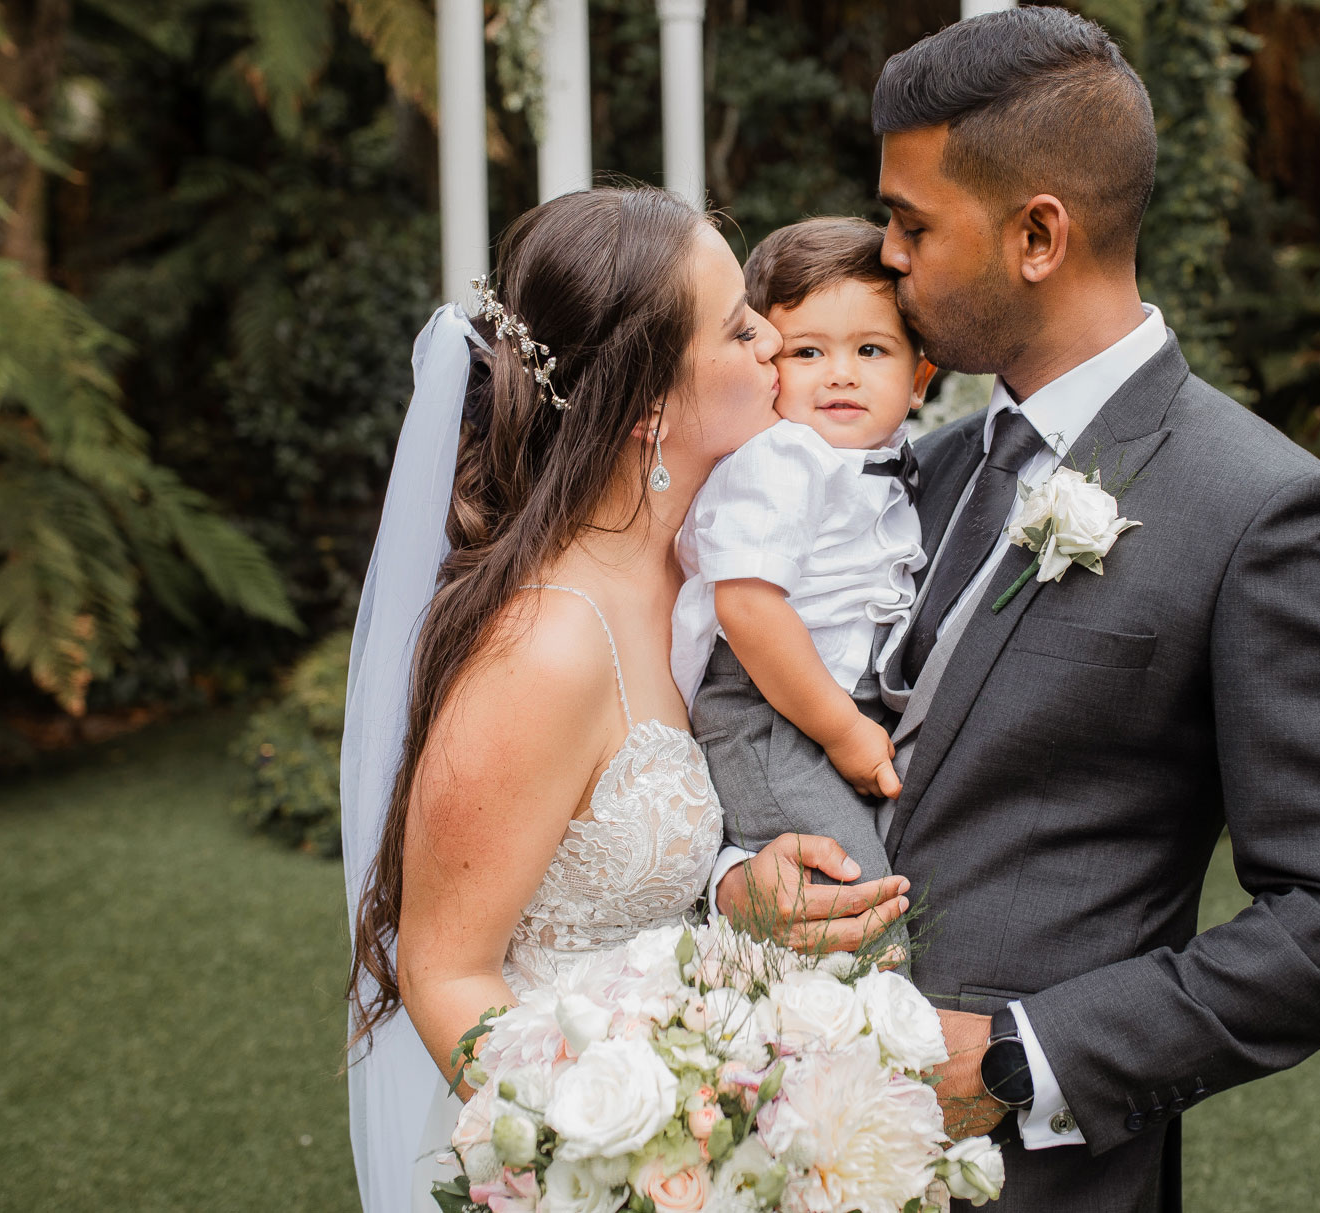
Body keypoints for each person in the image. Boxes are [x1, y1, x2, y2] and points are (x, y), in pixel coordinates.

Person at [715, 7, 1320, 1212]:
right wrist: (743, 876)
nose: (884, 256)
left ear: (1037, 233)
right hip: (789, 1146)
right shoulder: (903, 478)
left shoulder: (1265, 512)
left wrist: (1012, 1061)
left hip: (1043, 1186)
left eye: (911, 223)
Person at [336, 187, 910, 1213]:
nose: (777, 338)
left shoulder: (691, 574)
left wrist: (738, 888)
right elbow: (442, 971)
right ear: (651, 411)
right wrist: (618, 1170)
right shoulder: (545, 646)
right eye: (738, 325)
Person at [675, 216, 934, 890]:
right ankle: (871, 995)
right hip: (770, 717)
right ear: (769, 367)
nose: (841, 375)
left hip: (833, 706)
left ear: (920, 380)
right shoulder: (782, 458)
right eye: (808, 352)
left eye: (871, 351)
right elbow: (749, 605)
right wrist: (846, 731)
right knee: (855, 897)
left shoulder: (885, 461)